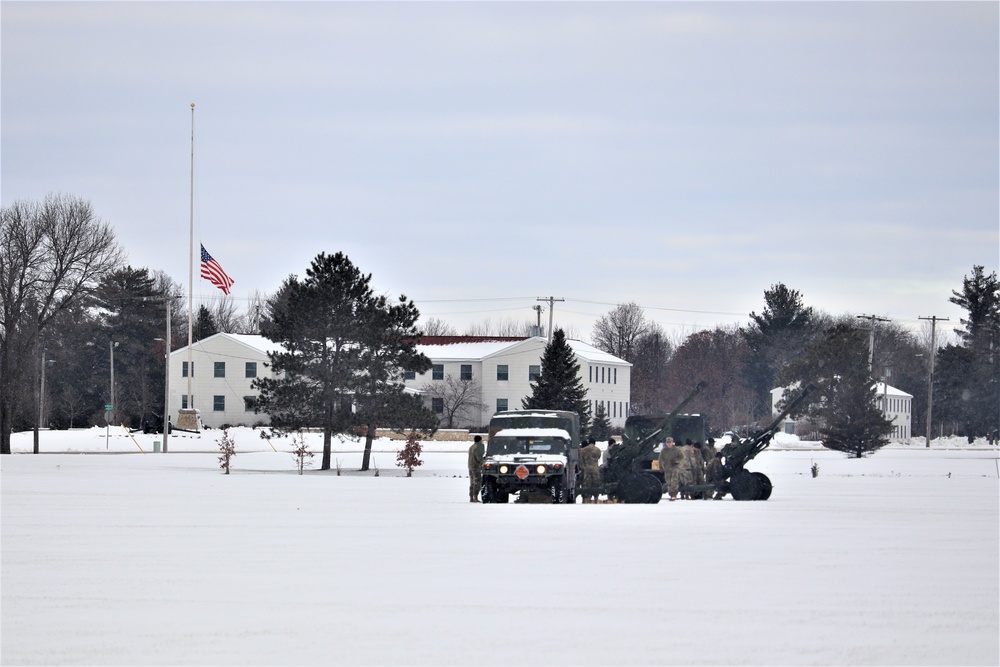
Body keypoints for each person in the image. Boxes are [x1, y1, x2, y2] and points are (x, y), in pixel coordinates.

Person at [580, 438, 602, 503]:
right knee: (596, 485)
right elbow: (598, 457)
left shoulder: (583, 450)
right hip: (595, 469)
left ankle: (587, 500)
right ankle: (596, 499)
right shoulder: (598, 450)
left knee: (587, 485)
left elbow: (581, 459)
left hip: (586, 470)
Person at [468, 435, 485, 502]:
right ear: (480, 440)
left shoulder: (471, 447)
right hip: (476, 467)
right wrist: (483, 462)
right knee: (477, 482)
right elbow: (478, 457)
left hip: (470, 466)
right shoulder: (478, 446)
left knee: (472, 482)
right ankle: (475, 497)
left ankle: (471, 497)